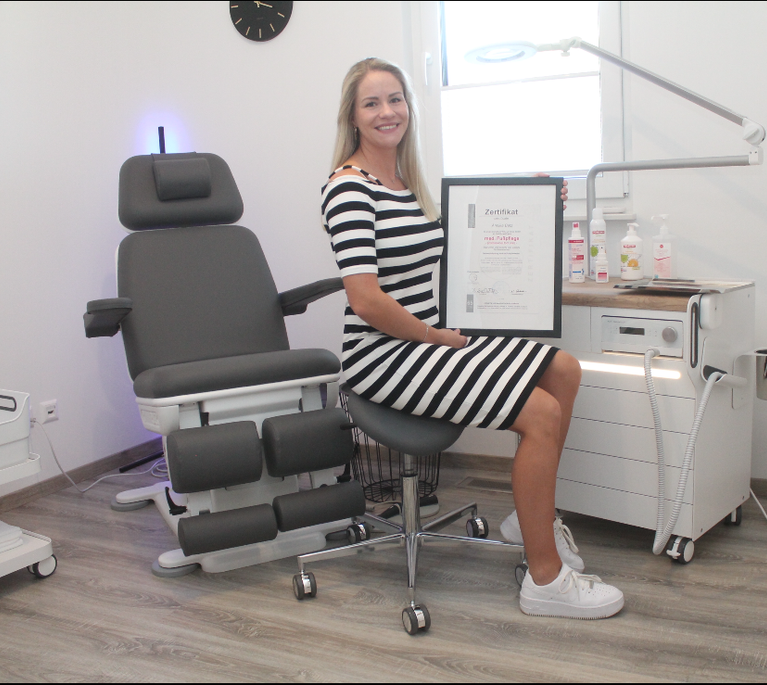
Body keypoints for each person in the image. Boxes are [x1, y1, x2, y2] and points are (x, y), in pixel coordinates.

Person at [322, 57, 624, 620]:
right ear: (353, 117)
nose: (387, 112)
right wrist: (435, 336)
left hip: (428, 341)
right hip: (383, 355)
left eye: (395, 99)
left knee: (564, 369)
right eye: (372, 103)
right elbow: (365, 299)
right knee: (540, 412)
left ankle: (530, 521)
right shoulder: (348, 190)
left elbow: (467, 243)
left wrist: (534, 205)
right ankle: (545, 581)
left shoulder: (405, 184)